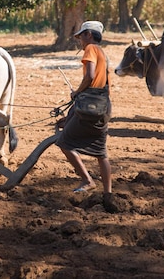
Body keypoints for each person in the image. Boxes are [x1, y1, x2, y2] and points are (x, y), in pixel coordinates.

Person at [56, 21, 114, 209]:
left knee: (64, 142)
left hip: (89, 107)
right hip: (103, 108)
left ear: (89, 34)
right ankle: (108, 194)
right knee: (101, 153)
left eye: (81, 36)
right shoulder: (103, 54)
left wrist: (76, 93)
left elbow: (89, 77)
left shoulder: (90, 49)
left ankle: (87, 180)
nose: (80, 40)